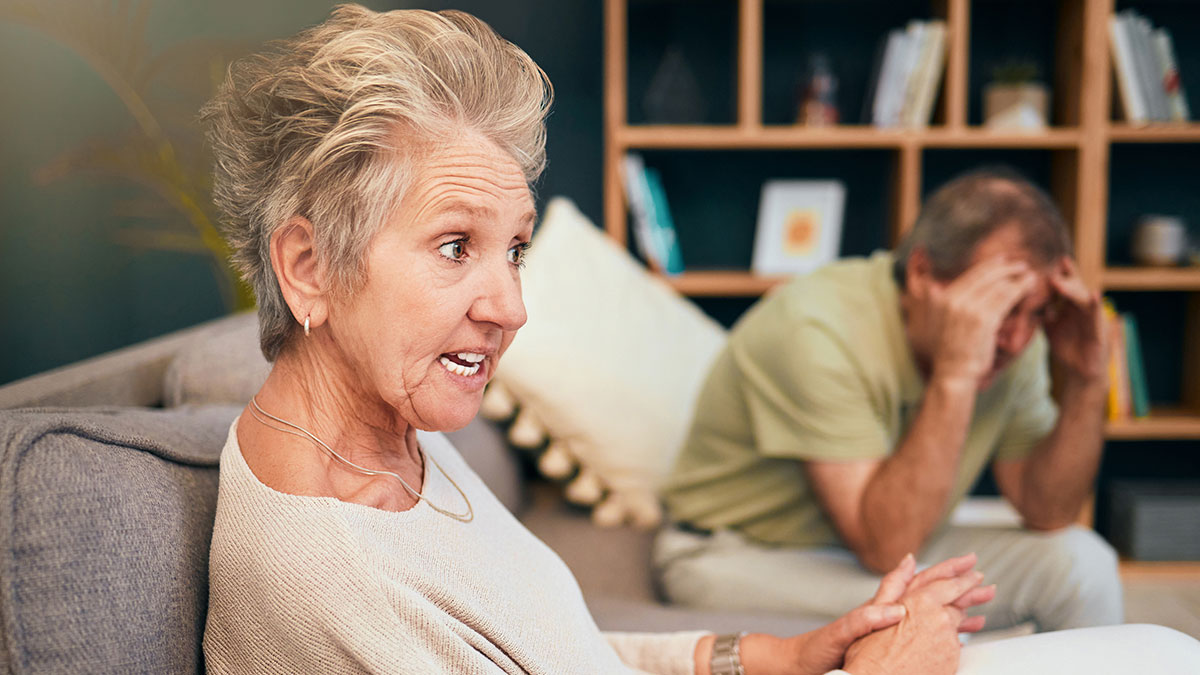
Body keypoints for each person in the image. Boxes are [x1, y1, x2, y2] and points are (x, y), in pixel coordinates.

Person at [198, 6, 1200, 674]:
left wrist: (771, 656)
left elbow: (566, 650)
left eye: (514, 250)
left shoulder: (393, 443)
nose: (510, 305)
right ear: (310, 269)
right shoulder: (327, 579)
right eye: (455, 246)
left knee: (1156, 647)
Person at [657, 169, 1121, 634]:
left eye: (1036, 311)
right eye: (996, 304)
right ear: (921, 273)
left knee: (1084, 566)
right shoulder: (815, 329)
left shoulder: (1017, 341)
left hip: (891, 543)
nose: (1017, 339)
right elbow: (885, 545)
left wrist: (1086, 380)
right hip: (736, 554)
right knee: (920, 616)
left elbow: (1049, 512)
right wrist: (957, 373)